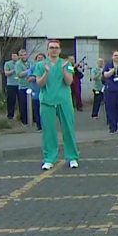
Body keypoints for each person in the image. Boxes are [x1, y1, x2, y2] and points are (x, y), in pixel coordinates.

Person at [34, 40, 80, 170]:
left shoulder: (67, 64)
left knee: (68, 129)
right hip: (47, 101)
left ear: (60, 50)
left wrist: (63, 70)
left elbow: (69, 81)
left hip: (63, 100)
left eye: (56, 48)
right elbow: (40, 84)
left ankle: (72, 157)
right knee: (48, 131)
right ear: (47, 50)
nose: (54, 50)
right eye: (51, 48)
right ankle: (49, 158)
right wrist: (46, 72)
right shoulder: (40, 65)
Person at [25, 53, 45, 131]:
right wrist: (37, 76)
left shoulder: (47, 68)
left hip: (46, 93)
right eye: (38, 58)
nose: (40, 59)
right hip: (36, 93)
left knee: (45, 111)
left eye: (41, 58)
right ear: (35, 60)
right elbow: (29, 79)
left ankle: (46, 125)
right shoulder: (32, 68)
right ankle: (39, 126)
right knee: (37, 110)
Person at [13, 49, 32, 126]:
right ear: (19, 56)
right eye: (21, 55)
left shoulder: (30, 63)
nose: (23, 56)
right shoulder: (18, 64)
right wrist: (29, 70)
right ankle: (24, 121)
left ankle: (32, 120)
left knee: (31, 105)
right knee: (23, 105)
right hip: (23, 87)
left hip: (31, 86)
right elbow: (19, 74)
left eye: (24, 54)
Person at [4, 51, 19, 120]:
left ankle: (22, 116)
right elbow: (6, 73)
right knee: (11, 101)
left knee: (21, 101)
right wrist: (14, 70)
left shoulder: (21, 63)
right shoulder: (8, 63)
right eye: (13, 56)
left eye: (15, 56)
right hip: (11, 84)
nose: (14, 57)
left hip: (20, 84)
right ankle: (10, 116)